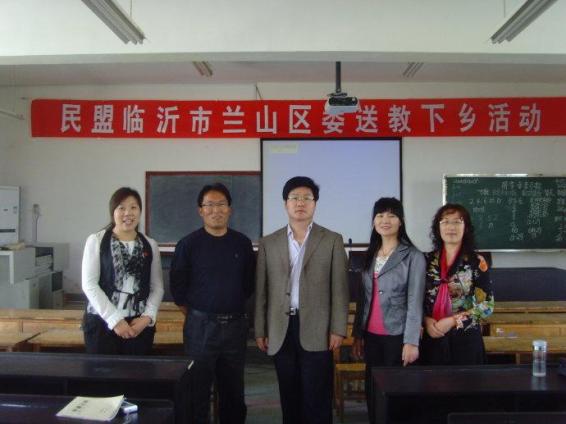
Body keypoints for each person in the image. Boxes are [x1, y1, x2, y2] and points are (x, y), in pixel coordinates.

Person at [254, 176, 349, 424]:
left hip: (319, 329)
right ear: (285, 203)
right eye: (294, 197)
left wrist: (338, 328)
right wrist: (260, 329)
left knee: (317, 397)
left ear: (315, 203)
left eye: (307, 198)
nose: (300, 203)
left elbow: (340, 289)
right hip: (280, 328)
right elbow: (262, 291)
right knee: (289, 395)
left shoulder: (332, 240)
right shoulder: (269, 242)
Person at [170, 183, 255, 424]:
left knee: (233, 393)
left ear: (230, 209)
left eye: (221, 204)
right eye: (209, 205)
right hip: (200, 328)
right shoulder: (188, 244)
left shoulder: (242, 244)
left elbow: (248, 285)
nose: (215, 210)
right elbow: (178, 289)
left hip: (235, 328)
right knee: (197, 392)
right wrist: (201, 314)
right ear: (200, 210)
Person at [352, 197, 425, 423]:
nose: (385, 220)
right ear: (374, 221)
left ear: (400, 221)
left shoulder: (413, 256)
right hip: (371, 336)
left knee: (397, 394)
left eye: (392, 215)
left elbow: (415, 301)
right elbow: (363, 298)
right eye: (380, 215)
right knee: (373, 392)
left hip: (398, 336)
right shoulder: (370, 254)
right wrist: (358, 335)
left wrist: (411, 341)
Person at [81, 187, 164, 355]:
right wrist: (115, 320)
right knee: (102, 372)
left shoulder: (150, 244)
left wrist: (147, 317)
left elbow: (157, 287)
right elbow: (89, 285)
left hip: (138, 326)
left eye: (133, 207)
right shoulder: (96, 241)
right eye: (121, 208)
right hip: (102, 324)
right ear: (113, 211)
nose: (128, 213)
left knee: (137, 371)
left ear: (140, 211)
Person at [420, 203, 495, 365]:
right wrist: (425, 320)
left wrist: (453, 321)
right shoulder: (425, 260)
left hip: (466, 339)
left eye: (457, 222)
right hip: (432, 336)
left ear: (466, 227)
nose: (451, 227)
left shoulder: (476, 262)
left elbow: (487, 306)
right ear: (438, 227)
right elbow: (415, 299)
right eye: (445, 222)